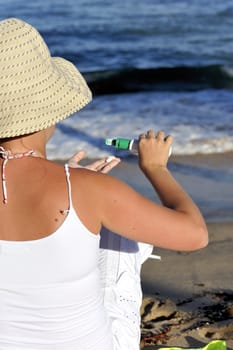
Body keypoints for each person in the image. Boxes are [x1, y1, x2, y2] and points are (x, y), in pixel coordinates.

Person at [0, 18, 208, 350]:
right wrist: (155, 167)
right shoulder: (87, 189)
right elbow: (195, 234)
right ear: (48, 110)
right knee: (117, 230)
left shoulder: (84, 187)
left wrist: (70, 185)